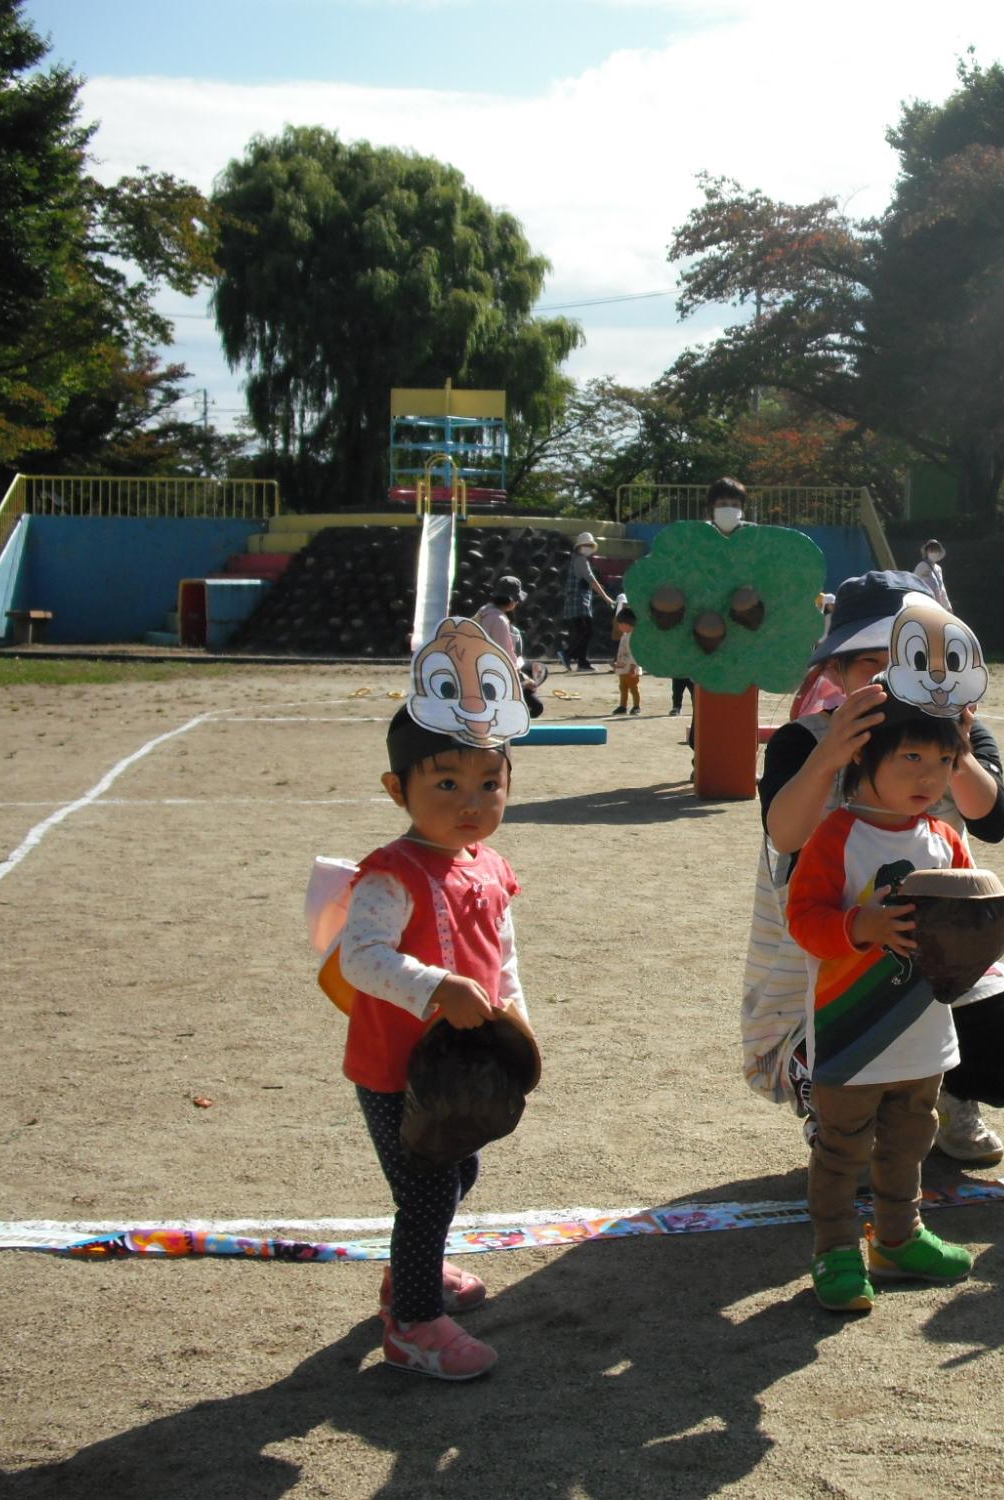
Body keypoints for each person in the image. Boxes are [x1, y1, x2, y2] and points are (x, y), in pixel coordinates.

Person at [743, 571, 1004, 1168]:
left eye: (904, 658)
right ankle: (835, 1104)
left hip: (938, 965)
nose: (889, 677)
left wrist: (959, 751)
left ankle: (951, 1089)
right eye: (869, 663)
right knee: (846, 1100)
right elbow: (784, 835)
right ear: (837, 673)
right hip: (829, 965)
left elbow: (990, 819)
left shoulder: (960, 736)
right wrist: (831, 754)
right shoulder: (802, 740)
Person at [337, 708, 539, 1380]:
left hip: (464, 1071)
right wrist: (435, 988)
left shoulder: (489, 867)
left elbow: (503, 958)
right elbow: (358, 957)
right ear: (399, 791)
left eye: (490, 784)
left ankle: (413, 1268)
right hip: (397, 1070)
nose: (472, 804)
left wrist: (518, 1018)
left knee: (458, 1170)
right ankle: (414, 1324)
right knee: (423, 1189)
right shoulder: (391, 875)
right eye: (446, 786)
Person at [786, 701, 980, 1311]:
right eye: (912, 758)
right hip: (851, 1030)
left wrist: (986, 935)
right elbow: (802, 919)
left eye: (944, 760)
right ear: (864, 757)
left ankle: (899, 1237)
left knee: (909, 1140)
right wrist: (858, 924)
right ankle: (836, 1250)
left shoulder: (946, 839)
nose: (929, 777)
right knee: (842, 1147)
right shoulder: (836, 835)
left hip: (925, 1029)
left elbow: (976, 908)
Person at [474, 576, 545, 719]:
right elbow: (506, 656)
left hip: (483, 666)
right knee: (537, 706)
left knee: (538, 669)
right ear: (511, 600)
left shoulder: (484, 610)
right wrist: (524, 680)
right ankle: (511, 711)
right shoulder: (499, 620)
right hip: (495, 671)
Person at [558, 532, 615, 672]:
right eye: (587, 545)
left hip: (577, 600)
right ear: (580, 546)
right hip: (579, 601)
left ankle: (582, 662)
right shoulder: (581, 560)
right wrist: (606, 598)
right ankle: (568, 654)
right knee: (586, 630)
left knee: (582, 631)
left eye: (590, 545)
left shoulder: (576, 559)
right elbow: (592, 581)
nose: (588, 548)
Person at [612, 603, 642, 715]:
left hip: (631, 668)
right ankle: (622, 706)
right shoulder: (625, 636)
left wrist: (634, 666)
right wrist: (617, 663)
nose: (619, 627)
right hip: (623, 668)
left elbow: (635, 653)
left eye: (620, 624)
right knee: (623, 687)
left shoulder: (634, 637)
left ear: (627, 624)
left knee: (633, 688)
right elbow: (622, 651)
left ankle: (636, 706)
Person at [913, 540, 952, 610]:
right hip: (925, 604)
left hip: (937, 605)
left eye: (936, 550)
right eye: (931, 550)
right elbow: (913, 582)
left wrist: (948, 607)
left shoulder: (938, 568)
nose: (934, 552)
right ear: (927, 552)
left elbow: (942, 589)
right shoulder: (921, 565)